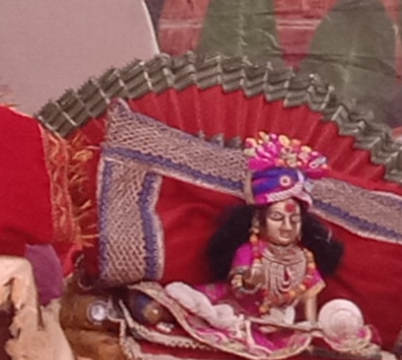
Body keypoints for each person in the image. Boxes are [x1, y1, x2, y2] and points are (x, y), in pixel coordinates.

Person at [120, 134, 377, 360]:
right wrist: (250, 281)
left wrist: (308, 327)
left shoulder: (305, 259)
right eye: (277, 218)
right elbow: (238, 288)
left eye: (294, 220)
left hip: (276, 327)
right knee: (181, 306)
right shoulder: (251, 252)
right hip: (234, 310)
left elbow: (309, 308)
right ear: (259, 221)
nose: (287, 226)